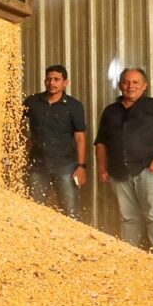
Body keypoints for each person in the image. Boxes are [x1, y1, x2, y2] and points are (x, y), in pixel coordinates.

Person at [94, 67, 153, 254]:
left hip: (148, 170)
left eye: (135, 82)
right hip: (119, 172)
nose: (130, 86)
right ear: (120, 85)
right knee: (128, 217)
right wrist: (101, 167)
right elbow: (101, 142)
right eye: (126, 82)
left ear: (144, 86)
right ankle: (131, 257)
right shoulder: (110, 111)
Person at [22, 64, 88, 219]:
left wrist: (81, 167)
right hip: (38, 164)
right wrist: (24, 139)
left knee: (70, 210)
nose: (52, 83)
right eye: (49, 79)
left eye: (57, 79)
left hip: (65, 165)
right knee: (34, 208)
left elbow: (80, 137)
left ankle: (72, 240)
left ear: (65, 82)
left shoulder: (74, 106)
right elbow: (15, 120)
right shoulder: (32, 102)